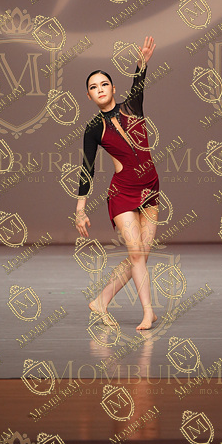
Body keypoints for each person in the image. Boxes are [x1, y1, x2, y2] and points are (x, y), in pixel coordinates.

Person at [75, 36, 159, 330]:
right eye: (93, 87)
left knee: (140, 256)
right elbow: (87, 169)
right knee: (136, 254)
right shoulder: (93, 128)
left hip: (150, 188)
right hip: (122, 193)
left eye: (104, 84)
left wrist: (142, 63)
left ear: (113, 88)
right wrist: (80, 210)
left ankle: (101, 301)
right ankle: (148, 312)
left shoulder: (132, 107)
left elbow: (139, 83)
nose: (99, 89)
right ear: (89, 96)